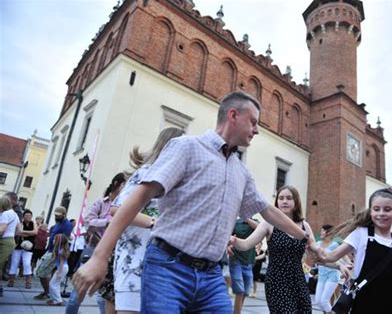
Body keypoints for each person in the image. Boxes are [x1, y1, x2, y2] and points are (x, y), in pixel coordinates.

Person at [73, 91, 314, 313]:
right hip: (168, 268)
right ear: (233, 115)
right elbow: (137, 198)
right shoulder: (187, 147)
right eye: (253, 122)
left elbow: (268, 211)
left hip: (211, 276)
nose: (257, 130)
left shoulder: (241, 172)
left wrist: (304, 237)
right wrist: (99, 257)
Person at [319, 188, 392, 313]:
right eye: (376, 209)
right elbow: (330, 257)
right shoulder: (361, 234)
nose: (381, 213)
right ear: (371, 211)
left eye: (387, 209)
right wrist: (312, 246)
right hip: (365, 307)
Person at [111, 127, 184, 314]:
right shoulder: (146, 172)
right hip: (133, 260)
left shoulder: (177, 181)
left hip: (161, 265)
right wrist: (155, 222)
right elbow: (117, 209)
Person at [230, 185, 330, 313]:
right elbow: (246, 244)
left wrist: (335, 262)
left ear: (296, 202)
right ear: (276, 201)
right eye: (281, 198)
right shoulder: (268, 223)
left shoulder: (304, 225)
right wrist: (234, 240)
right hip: (277, 281)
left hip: (298, 281)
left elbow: (314, 247)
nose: (284, 201)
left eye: (289, 198)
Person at [66, 173, 126, 314]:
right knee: (78, 292)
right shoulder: (101, 202)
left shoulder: (126, 204)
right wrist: (107, 222)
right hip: (95, 249)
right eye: (125, 184)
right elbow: (88, 221)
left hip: (114, 253)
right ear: (117, 183)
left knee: (103, 295)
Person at [33, 206, 73, 300]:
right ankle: (47, 292)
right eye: (55, 215)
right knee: (41, 272)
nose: (57, 216)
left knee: (42, 272)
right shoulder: (58, 223)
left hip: (55, 252)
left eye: (59, 215)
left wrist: (57, 254)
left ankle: (48, 293)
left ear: (64, 214)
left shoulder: (67, 224)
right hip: (50, 250)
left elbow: (63, 240)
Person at [314, 224, 346, 313]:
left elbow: (343, 256)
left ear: (328, 232)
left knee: (324, 301)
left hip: (333, 274)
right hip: (321, 275)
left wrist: (347, 265)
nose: (320, 233)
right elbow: (314, 256)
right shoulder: (318, 244)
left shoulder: (335, 245)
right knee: (317, 301)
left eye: (322, 231)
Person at [229, 218, 258, 314]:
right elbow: (228, 235)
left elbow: (259, 228)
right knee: (239, 291)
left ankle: (237, 312)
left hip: (249, 261)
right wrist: (228, 245)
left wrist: (247, 219)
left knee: (245, 292)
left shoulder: (255, 222)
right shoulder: (236, 222)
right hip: (235, 260)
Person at [8, 209, 37, 289]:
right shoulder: (20, 223)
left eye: (30, 216)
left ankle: (28, 282)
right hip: (18, 246)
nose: (28, 217)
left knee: (27, 263)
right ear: (23, 216)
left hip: (29, 247)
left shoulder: (33, 223)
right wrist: (28, 233)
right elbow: (17, 232)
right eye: (26, 215)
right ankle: (11, 280)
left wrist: (24, 233)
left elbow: (35, 232)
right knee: (14, 263)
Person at [0, 195, 21, 297]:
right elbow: (19, 231)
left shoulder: (5, 214)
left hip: (4, 241)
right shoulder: (15, 214)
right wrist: (11, 235)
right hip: (10, 241)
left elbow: (2, 228)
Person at [47, 233, 70, 305]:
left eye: (54, 239)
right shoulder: (61, 249)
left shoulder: (60, 250)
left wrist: (59, 272)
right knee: (55, 284)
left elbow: (62, 262)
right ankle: (55, 299)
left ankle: (58, 300)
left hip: (62, 268)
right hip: (63, 268)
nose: (53, 240)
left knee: (53, 284)